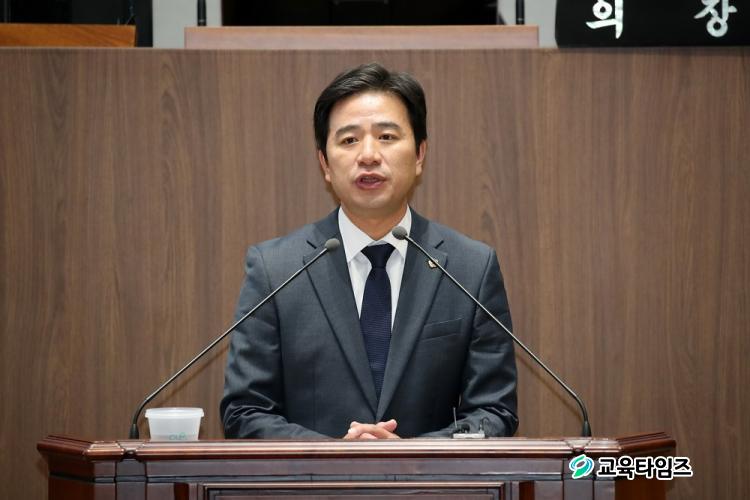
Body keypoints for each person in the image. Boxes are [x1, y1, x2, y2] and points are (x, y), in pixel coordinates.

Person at [221, 63, 518, 439]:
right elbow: (245, 411)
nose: (368, 155)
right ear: (325, 164)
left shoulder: (469, 268)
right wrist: (334, 456)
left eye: (387, 136)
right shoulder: (275, 270)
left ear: (420, 154)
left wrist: (412, 455)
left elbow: (494, 411)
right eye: (349, 140)